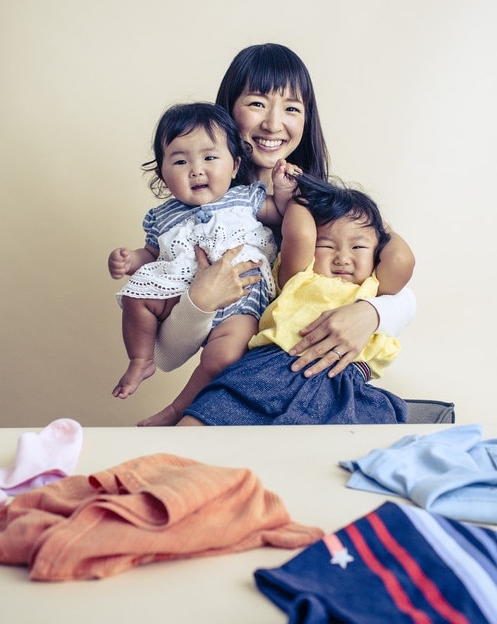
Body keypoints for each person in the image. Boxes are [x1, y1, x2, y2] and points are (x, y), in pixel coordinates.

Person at [138, 43, 416, 426]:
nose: (272, 123)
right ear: (227, 111)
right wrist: (200, 301)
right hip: (244, 382)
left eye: (291, 108)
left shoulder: (330, 204)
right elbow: (167, 355)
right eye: (256, 103)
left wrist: (370, 313)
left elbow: (399, 288)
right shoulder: (192, 213)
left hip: (322, 376)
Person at [108, 102, 299, 406]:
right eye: (181, 162)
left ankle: (180, 407)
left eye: (210, 158)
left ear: (235, 165)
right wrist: (130, 260)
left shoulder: (245, 198)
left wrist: (284, 190)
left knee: (223, 354)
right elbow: (151, 253)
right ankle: (140, 359)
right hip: (183, 290)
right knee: (136, 297)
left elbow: (283, 213)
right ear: (162, 173)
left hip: (242, 294)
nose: (196, 170)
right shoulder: (162, 216)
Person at [178, 175, 408, 426]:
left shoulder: (374, 289)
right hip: (270, 372)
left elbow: (401, 260)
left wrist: (384, 229)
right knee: (200, 424)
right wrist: (298, 198)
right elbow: (299, 234)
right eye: (327, 246)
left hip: (343, 390)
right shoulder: (301, 277)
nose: (342, 258)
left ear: (377, 254)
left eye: (358, 247)